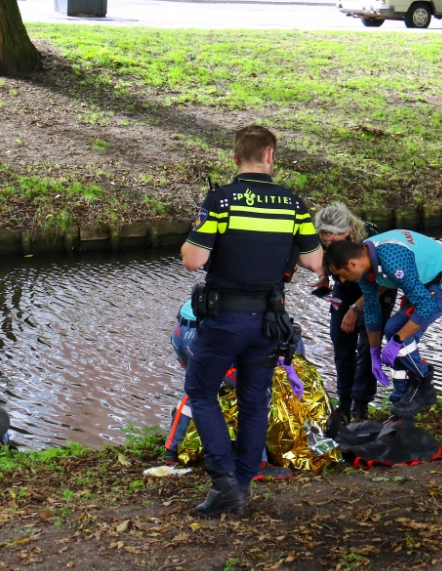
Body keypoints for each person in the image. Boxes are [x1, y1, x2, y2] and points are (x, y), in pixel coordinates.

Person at [180, 125, 323, 517]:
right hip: (269, 320)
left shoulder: (222, 201)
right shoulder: (295, 205)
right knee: (254, 401)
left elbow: (193, 260)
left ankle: (224, 480)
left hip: (225, 317)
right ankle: (241, 486)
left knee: (202, 391)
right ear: (270, 156)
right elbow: (313, 262)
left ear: (235, 158)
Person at [324, 231, 442, 417]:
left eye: (342, 274)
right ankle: (401, 402)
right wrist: (374, 352)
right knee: (393, 331)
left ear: (352, 264)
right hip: (422, 283)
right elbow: (372, 312)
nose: (342, 281)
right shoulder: (366, 264)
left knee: (398, 334)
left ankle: (423, 384)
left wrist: (398, 340)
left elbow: (425, 305)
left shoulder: (393, 262)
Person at [164, 299, 295, 482]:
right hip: (211, 333)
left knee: (199, 390)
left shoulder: (238, 275)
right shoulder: (269, 287)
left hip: (184, 329)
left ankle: (171, 452)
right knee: (256, 393)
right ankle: (256, 464)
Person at [311, 204, 396, 423]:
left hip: (378, 286)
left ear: (347, 231)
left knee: (368, 345)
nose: (328, 242)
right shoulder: (325, 242)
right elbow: (321, 258)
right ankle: (344, 403)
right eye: (324, 238)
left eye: (333, 238)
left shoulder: (370, 240)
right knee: (341, 341)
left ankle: (360, 406)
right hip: (346, 286)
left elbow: (384, 280)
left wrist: (356, 309)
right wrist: (324, 277)